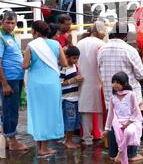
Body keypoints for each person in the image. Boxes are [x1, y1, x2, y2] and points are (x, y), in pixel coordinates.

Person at [23, 20, 67, 156]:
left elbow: (24, 66)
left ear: (35, 32)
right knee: (49, 113)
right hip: (52, 83)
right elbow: (64, 63)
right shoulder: (56, 44)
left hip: (36, 83)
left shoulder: (31, 46)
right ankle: (44, 147)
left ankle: (40, 146)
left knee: (38, 112)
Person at [0, 11, 28, 151]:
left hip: (16, 78)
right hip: (9, 80)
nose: (10, 25)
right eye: (8, 22)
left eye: (13, 23)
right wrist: (4, 84)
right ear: (2, 21)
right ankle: (12, 141)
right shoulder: (1, 37)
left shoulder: (10, 36)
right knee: (10, 110)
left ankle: (5, 138)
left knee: (10, 109)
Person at [103, 72, 143, 164]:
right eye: (113, 82)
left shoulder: (131, 95)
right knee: (117, 131)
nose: (115, 85)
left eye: (118, 82)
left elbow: (136, 112)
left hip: (132, 121)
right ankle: (122, 159)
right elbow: (110, 114)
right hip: (118, 122)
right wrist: (107, 128)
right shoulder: (113, 98)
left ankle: (121, 152)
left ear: (125, 84)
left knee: (128, 132)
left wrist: (128, 123)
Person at [77, 21, 107, 146]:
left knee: (85, 109)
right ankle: (100, 133)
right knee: (100, 108)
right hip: (98, 80)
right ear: (96, 32)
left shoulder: (80, 43)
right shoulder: (101, 44)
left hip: (83, 80)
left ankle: (87, 137)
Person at [60, 46, 83, 149]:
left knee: (74, 120)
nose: (76, 60)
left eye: (77, 58)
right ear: (67, 57)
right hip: (67, 99)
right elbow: (59, 83)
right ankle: (68, 141)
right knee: (70, 120)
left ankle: (67, 139)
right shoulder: (63, 68)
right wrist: (72, 80)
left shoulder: (74, 66)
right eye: (74, 58)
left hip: (75, 97)